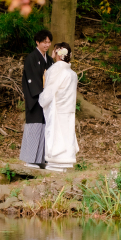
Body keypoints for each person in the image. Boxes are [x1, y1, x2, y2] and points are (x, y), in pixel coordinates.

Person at [39, 42, 79, 172]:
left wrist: (42, 99)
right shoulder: (72, 73)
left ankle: (56, 161)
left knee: (56, 132)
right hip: (69, 109)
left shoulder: (55, 70)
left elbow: (50, 91)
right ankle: (65, 162)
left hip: (57, 108)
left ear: (57, 54)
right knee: (66, 133)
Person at [20, 29, 54, 169]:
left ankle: (41, 159)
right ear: (37, 42)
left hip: (46, 99)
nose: (47, 45)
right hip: (35, 99)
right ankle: (30, 159)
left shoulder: (49, 60)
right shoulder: (31, 58)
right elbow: (32, 79)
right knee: (34, 127)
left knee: (45, 128)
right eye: (44, 42)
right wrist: (41, 95)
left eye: (49, 42)